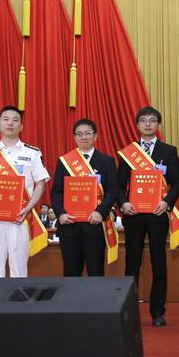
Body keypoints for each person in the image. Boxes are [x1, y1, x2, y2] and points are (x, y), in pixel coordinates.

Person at [117, 107, 179, 327]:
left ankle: (158, 312)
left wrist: (167, 202)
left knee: (158, 261)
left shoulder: (168, 151)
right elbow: (118, 184)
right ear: (137, 125)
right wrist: (124, 203)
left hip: (157, 214)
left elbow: (178, 182)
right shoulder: (128, 152)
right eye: (143, 121)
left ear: (158, 124)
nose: (147, 124)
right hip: (133, 214)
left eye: (152, 120)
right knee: (132, 263)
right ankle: (130, 311)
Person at [0, 106, 50, 278]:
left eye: (15, 120)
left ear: (21, 126)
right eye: (6, 119)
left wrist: (28, 208)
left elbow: (40, 184)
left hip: (20, 216)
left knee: (19, 266)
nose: (10, 123)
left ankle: (18, 303)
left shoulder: (32, 153)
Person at [51, 118, 120, 277]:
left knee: (95, 271)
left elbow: (112, 191)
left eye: (88, 133)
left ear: (95, 136)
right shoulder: (65, 162)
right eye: (79, 134)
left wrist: (100, 212)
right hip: (69, 225)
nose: (84, 137)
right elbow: (57, 192)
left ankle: (96, 303)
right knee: (70, 273)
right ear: (74, 138)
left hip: (94, 225)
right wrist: (60, 213)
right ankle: (71, 303)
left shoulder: (106, 161)